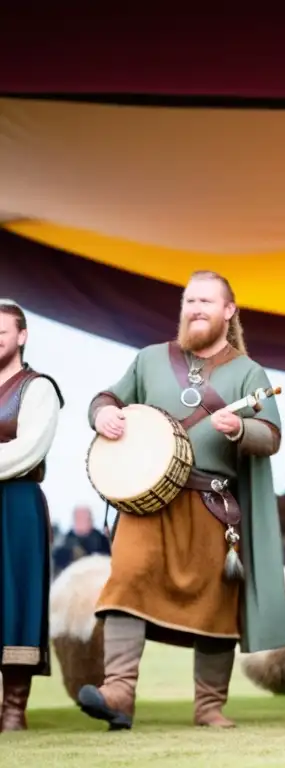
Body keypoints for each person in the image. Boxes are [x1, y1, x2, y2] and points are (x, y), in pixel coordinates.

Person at [77, 271, 285, 730]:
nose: (195, 308)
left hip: (211, 505)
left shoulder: (248, 372)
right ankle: (118, 692)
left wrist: (240, 429)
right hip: (145, 503)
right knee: (127, 580)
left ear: (228, 311)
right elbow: (106, 397)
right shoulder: (150, 359)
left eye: (206, 301)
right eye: (189, 301)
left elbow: (272, 435)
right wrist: (104, 414)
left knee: (214, 603)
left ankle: (209, 706)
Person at [0, 300, 63, 732]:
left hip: (16, 503)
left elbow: (28, 450)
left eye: (1, 330)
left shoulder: (38, 388)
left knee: (17, 598)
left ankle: (13, 709)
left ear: (21, 336)